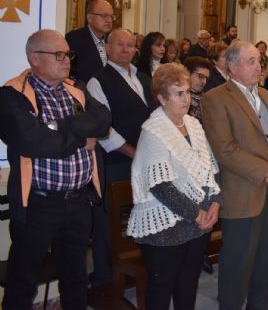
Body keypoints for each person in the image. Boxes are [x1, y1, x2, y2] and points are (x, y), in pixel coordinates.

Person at [0, 30, 111, 310]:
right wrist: (79, 137)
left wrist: (56, 126)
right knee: (22, 283)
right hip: (37, 204)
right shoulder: (12, 95)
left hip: (78, 202)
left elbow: (103, 120)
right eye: (58, 55)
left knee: (75, 279)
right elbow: (33, 142)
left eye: (68, 54)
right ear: (34, 58)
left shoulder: (76, 87)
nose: (67, 61)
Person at [201, 40, 268, 310]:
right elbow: (225, 149)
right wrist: (267, 171)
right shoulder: (216, 98)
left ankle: (262, 303)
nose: (259, 66)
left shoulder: (267, 96)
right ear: (232, 66)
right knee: (238, 259)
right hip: (242, 190)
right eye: (251, 61)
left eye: (259, 61)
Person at [126, 63, 221, 310]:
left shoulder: (193, 124)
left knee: (188, 283)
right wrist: (196, 212)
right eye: (179, 93)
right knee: (161, 288)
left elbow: (210, 169)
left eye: (188, 92)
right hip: (166, 227)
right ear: (161, 97)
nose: (186, 98)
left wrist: (214, 204)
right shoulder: (153, 130)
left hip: (198, 224)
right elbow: (160, 186)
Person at [87, 29, 156, 285]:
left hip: (147, 160)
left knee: (141, 213)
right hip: (117, 161)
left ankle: (134, 268)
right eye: (120, 45)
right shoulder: (98, 81)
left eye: (130, 45)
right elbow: (103, 129)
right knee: (112, 221)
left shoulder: (145, 79)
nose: (126, 49)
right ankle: (106, 277)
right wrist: (133, 152)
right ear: (107, 46)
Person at [66, 0, 114, 83]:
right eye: (104, 15)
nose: (109, 20)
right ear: (90, 18)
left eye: (111, 16)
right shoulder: (74, 39)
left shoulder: (112, 41)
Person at [183, 56, 213, 122]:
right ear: (187, 73)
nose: (204, 82)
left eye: (206, 78)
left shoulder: (206, 98)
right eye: (200, 76)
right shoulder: (180, 98)